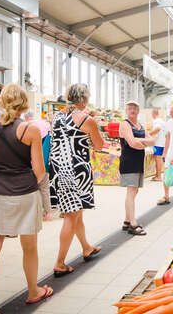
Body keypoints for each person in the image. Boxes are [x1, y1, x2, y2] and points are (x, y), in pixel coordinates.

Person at [0, 84, 54, 313]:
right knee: (29, 247)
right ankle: (33, 291)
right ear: (24, 104)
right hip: (24, 195)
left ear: (2, 102)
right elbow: (40, 170)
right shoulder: (29, 130)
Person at [49, 84, 104, 277]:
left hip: (58, 169)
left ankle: (86, 247)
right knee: (71, 216)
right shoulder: (86, 119)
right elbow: (99, 145)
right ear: (84, 99)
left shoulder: (56, 117)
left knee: (76, 212)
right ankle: (59, 263)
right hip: (76, 171)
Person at [119, 100, 155, 236]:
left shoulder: (140, 125)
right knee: (131, 191)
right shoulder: (124, 124)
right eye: (130, 108)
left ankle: (127, 220)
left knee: (134, 192)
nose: (132, 110)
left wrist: (140, 142)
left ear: (138, 110)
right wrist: (143, 143)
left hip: (138, 161)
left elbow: (152, 141)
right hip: (128, 162)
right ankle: (133, 224)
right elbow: (132, 143)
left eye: (135, 108)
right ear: (126, 110)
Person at [149, 109, 166, 182]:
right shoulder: (162, 121)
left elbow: (157, 129)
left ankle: (158, 176)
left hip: (158, 143)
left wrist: (148, 135)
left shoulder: (157, 121)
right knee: (159, 160)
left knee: (158, 160)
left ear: (153, 113)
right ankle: (157, 175)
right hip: (162, 143)